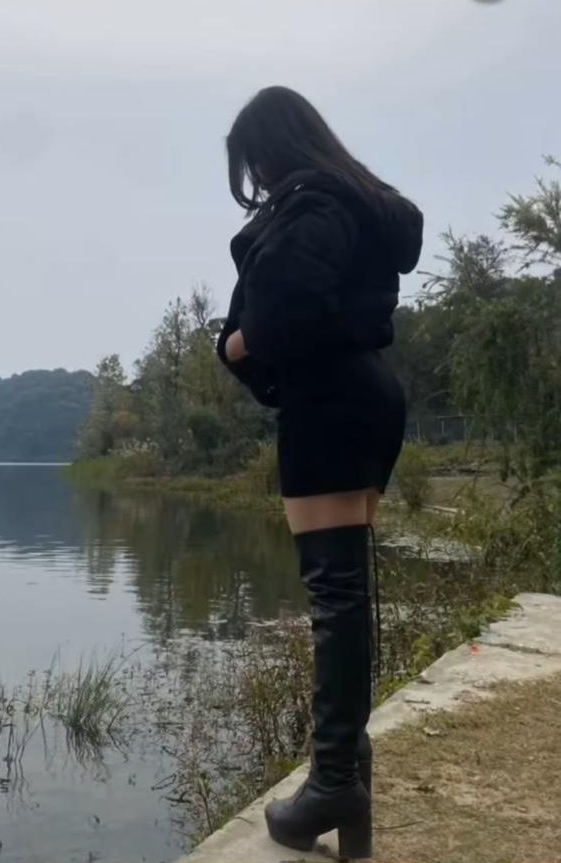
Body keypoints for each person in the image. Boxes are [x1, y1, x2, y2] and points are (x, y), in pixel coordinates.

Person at [217, 85, 423, 860]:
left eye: (254, 167)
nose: (256, 183)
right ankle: (347, 779)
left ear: (269, 152)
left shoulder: (310, 206)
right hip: (364, 395)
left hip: (328, 403)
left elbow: (281, 310)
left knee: (334, 595)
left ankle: (334, 781)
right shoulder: (357, 202)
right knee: (346, 591)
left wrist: (235, 345)